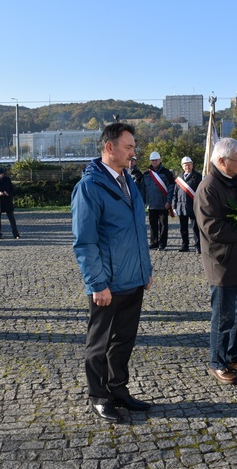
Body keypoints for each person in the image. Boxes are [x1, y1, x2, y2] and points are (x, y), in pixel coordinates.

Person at [71, 122, 153, 423]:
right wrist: (97, 283)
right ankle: (100, 395)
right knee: (100, 344)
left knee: (123, 341)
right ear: (110, 147)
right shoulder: (90, 187)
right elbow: (84, 241)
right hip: (107, 284)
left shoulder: (128, 181)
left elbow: (136, 231)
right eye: (129, 147)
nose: (134, 152)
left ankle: (118, 389)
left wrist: (146, 269)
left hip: (132, 278)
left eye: (133, 147)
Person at [194, 137, 237, 385]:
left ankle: (234, 354)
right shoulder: (209, 187)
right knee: (223, 317)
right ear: (221, 161)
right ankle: (217, 361)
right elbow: (213, 228)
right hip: (222, 262)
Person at [142, 151, 174, 250]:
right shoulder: (146, 174)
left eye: (156, 160)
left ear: (159, 160)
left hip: (163, 204)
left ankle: (162, 243)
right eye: (152, 160)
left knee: (163, 225)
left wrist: (169, 201)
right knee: (152, 225)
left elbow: (171, 188)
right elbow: (144, 190)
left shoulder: (167, 173)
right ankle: (154, 242)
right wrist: (144, 202)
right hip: (151, 205)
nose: (154, 162)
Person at [171, 156, 202, 253]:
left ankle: (198, 246)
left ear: (192, 165)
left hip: (193, 206)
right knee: (183, 228)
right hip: (181, 206)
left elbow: (200, 192)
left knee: (195, 227)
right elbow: (175, 192)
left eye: (189, 165)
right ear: (182, 166)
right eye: (185, 165)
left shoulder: (198, 177)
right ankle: (185, 245)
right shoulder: (179, 178)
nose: (187, 167)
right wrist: (174, 205)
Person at [0, 167, 20, 240]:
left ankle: (16, 234)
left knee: (12, 219)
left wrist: (8, 193)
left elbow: (12, 189)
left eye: (1, 174)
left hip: (7, 201)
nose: (0, 175)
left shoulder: (7, 180)